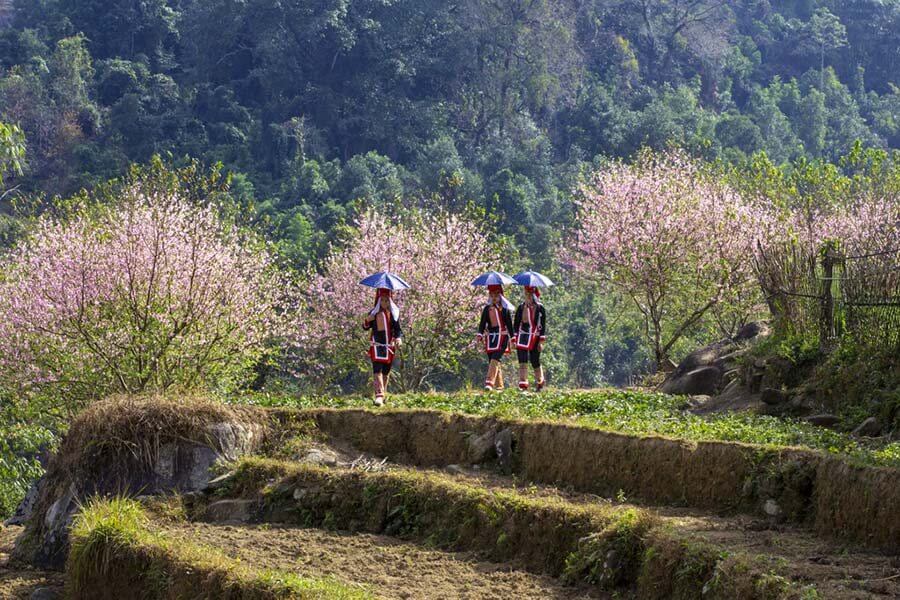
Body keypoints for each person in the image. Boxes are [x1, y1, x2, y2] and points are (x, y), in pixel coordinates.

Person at [363, 288, 403, 406]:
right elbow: (365, 327)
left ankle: (383, 394)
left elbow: (397, 329)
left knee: (386, 371)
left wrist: (398, 338)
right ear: (378, 301)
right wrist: (367, 320)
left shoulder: (393, 314)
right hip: (377, 346)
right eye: (383, 300)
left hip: (389, 346)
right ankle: (379, 395)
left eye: (387, 301)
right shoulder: (373, 313)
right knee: (377, 370)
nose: (385, 303)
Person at [476, 284, 514, 391]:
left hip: (502, 337)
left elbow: (510, 325)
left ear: (500, 296)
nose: (494, 298)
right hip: (491, 338)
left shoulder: (505, 310)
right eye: (491, 295)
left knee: (495, 358)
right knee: (492, 360)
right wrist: (480, 334)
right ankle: (499, 385)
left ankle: (489, 383)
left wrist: (513, 338)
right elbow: (482, 323)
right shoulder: (487, 309)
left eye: (496, 296)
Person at [514, 285, 547, 392]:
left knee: (534, 360)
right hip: (522, 335)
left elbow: (543, 326)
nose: (527, 297)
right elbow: (516, 324)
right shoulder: (521, 307)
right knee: (522, 359)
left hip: (535, 336)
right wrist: (514, 338)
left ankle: (540, 381)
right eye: (526, 294)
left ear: (533, 295)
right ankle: (523, 384)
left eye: (529, 295)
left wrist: (541, 341)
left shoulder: (540, 308)